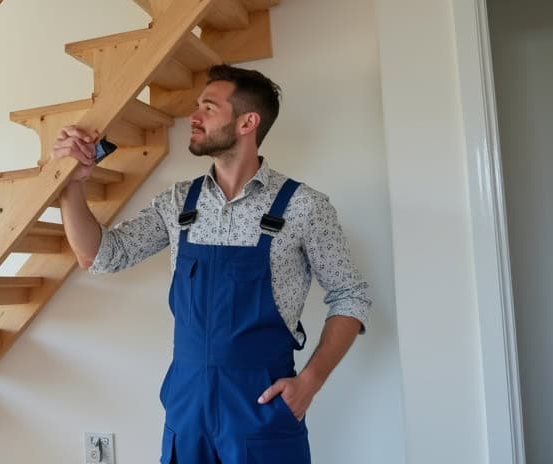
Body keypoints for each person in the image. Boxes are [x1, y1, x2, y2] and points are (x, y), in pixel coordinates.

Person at [52, 65, 371, 463]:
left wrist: (310, 382)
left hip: (262, 406)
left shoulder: (303, 206)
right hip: (187, 404)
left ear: (247, 122)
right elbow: (99, 255)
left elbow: (351, 296)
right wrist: (73, 184)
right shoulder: (178, 204)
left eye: (208, 107)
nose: (194, 117)